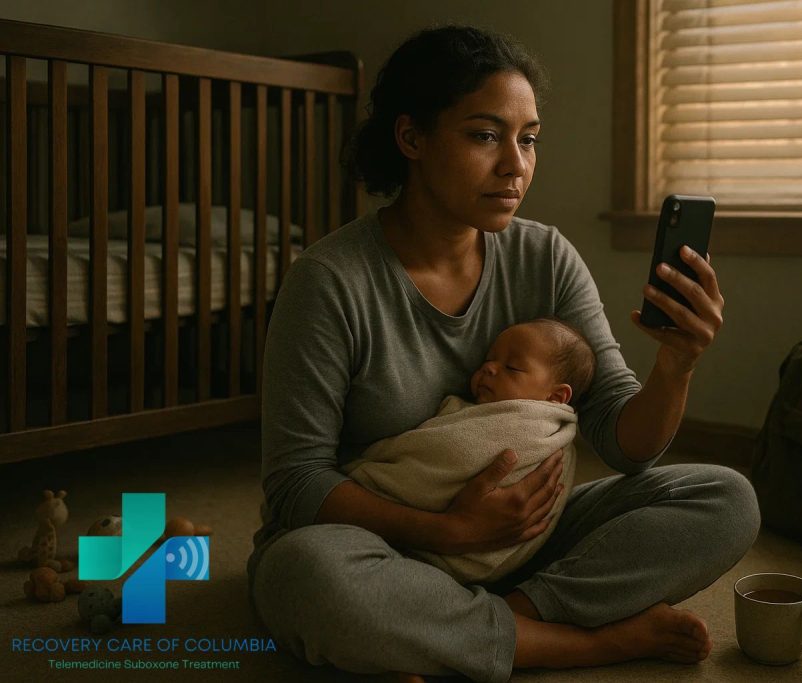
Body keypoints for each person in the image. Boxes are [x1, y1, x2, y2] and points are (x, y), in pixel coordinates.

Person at [247, 24, 760, 683]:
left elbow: (625, 443)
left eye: (529, 139)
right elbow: (297, 482)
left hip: (527, 541)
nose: (515, 165)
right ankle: (584, 642)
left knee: (725, 497)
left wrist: (676, 365)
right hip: (378, 543)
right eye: (485, 135)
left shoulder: (545, 257)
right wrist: (451, 530)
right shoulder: (329, 280)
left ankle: (476, 628)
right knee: (307, 577)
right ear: (412, 139)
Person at [341, 317, 596, 586]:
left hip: (472, 562)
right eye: (488, 359)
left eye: (511, 367)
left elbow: (454, 453)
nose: (489, 368)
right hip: (417, 541)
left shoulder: (539, 433)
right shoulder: (474, 415)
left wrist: (371, 468)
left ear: (556, 398)